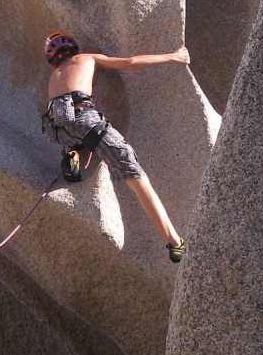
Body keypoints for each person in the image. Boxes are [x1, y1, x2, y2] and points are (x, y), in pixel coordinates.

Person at [43, 32, 187, 262]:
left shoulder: (53, 77)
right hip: (86, 121)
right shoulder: (88, 58)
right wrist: (173, 56)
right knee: (135, 174)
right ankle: (173, 239)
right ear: (74, 48)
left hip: (57, 130)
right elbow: (130, 63)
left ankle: (73, 153)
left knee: (79, 135)